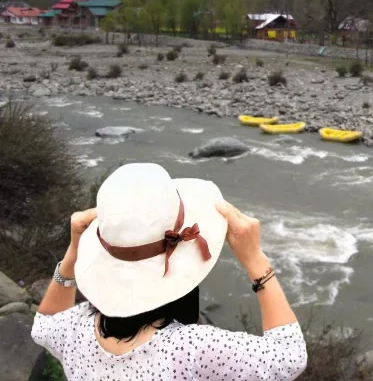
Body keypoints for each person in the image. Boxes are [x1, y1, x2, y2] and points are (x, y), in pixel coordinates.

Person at [31, 163, 307, 381]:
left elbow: (44, 324)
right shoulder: (190, 349)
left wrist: (72, 254)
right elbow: (289, 357)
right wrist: (255, 259)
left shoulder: (75, 329)